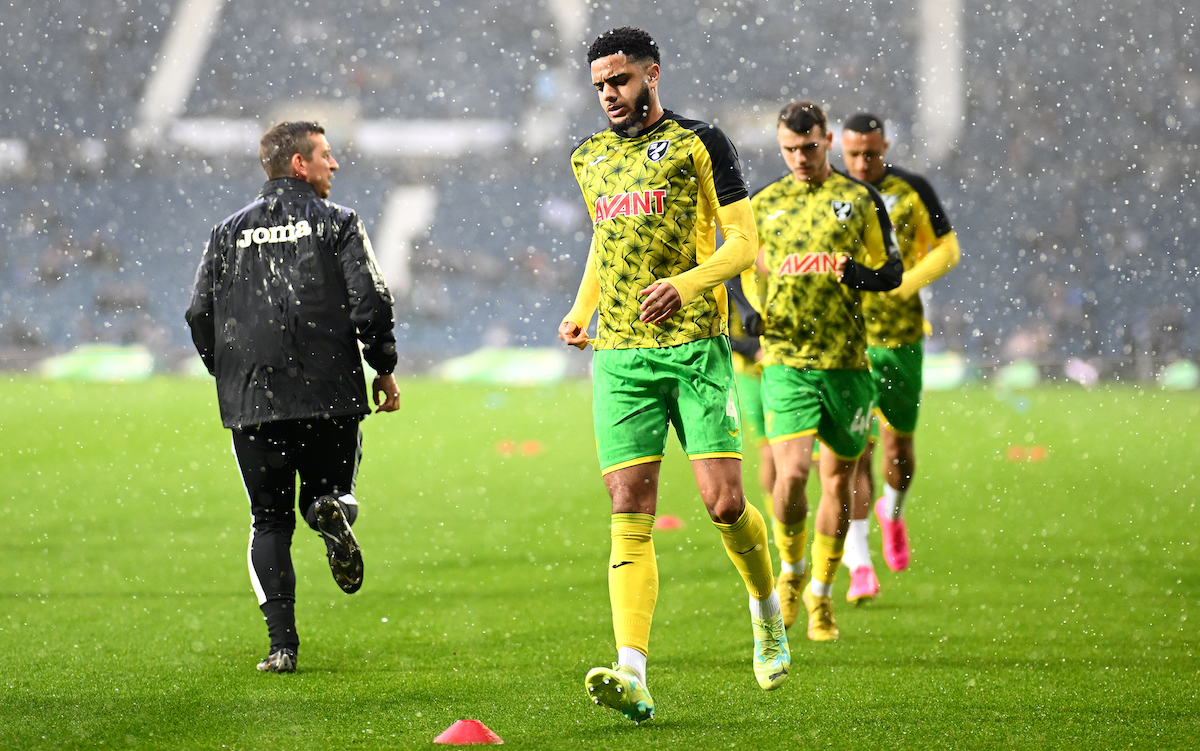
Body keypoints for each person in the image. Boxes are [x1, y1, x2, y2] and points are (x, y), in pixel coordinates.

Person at [558, 26, 788, 725]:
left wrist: (686, 285)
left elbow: (744, 242)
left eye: (621, 81)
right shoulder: (588, 157)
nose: (610, 94)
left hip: (695, 346)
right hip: (621, 355)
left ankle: (767, 609)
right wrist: (580, 309)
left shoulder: (700, 143)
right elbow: (606, 237)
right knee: (628, 507)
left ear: (653, 74)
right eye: (600, 84)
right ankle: (632, 672)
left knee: (722, 504)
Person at [185, 121, 400, 673]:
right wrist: (384, 365)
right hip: (329, 394)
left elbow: (197, 314)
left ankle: (282, 647)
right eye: (326, 155)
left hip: (253, 401)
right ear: (299, 165)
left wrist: (226, 370)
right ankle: (329, 508)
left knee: (269, 522)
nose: (335, 165)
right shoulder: (339, 223)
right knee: (332, 491)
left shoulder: (225, 232)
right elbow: (372, 300)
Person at [733, 100, 901, 642]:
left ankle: (821, 596)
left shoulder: (859, 200)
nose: (799, 158)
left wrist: (858, 274)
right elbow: (737, 267)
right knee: (793, 474)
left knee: (839, 479)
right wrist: (751, 315)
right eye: (789, 149)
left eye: (809, 147)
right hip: (786, 362)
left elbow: (892, 271)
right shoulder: (764, 203)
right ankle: (790, 570)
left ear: (828, 141)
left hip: (847, 365)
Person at [839, 113, 960, 598]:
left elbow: (948, 248)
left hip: (903, 336)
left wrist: (904, 282)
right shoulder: (833, 196)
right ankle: (859, 560)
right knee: (856, 453)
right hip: (851, 340)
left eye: (871, 153)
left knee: (898, 450)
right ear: (839, 150)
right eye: (854, 155)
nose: (863, 163)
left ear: (886, 145)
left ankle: (893, 510)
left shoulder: (912, 188)